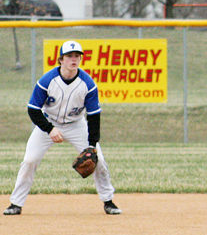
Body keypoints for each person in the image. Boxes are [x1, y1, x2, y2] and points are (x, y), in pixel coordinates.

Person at [3, 40, 122, 216]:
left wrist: (91, 144)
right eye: (69, 56)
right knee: (29, 160)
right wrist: (50, 129)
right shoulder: (47, 80)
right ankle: (16, 203)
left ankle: (108, 201)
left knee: (100, 161)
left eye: (77, 56)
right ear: (61, 59)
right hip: (48, 123)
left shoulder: (88, 84)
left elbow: (94, 116)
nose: (73, 59)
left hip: (76, 125)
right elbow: (33, 110)